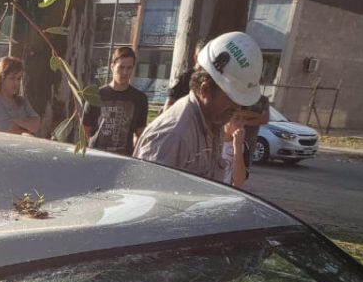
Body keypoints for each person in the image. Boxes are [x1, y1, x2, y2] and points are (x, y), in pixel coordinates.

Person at [133, 31, 263, 182]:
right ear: (205, 90)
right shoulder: (173, 137)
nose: (237, 109)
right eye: (232, 99)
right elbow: (148, 198)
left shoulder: (214, 120)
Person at [81, 45, 148, 155]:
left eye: (129, 68)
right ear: (112, 66)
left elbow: (140, 134)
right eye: (121, 67)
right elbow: (85, 131)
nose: (125, 72)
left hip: (123, 158)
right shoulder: (95, 95)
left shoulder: (140, 99)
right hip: (96, 155)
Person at [0, 56, 40, 136]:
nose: (16, 83)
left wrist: (16, 121)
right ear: (2, 79)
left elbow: (36, 125)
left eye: (19, 79)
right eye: (12, 78)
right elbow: (11, 131)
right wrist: (26, 126)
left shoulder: (22, 101)